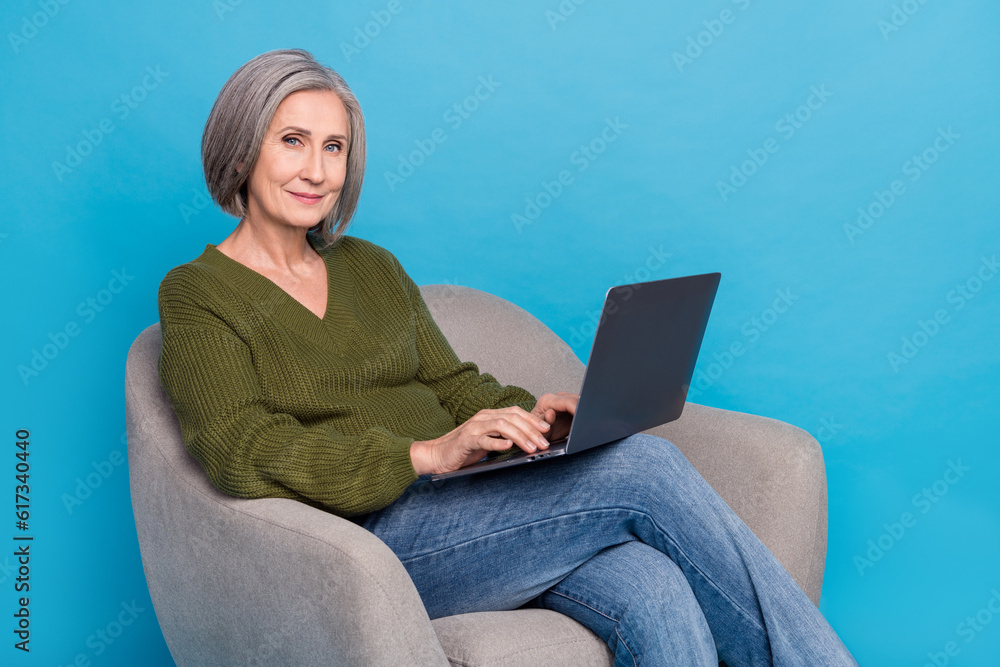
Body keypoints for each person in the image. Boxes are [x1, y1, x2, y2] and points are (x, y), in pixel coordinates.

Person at [157, 48, 857, 665]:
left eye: (334, 147)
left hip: (470, 508)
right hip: (369, 545)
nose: (317, 170)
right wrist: (423, 454)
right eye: (293, 141)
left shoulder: (371, 267)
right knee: (644, 468)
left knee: (652, 585)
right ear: (243, 150)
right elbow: (240, 448)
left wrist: (530, 420)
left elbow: (453, 381)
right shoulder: (197, 293)